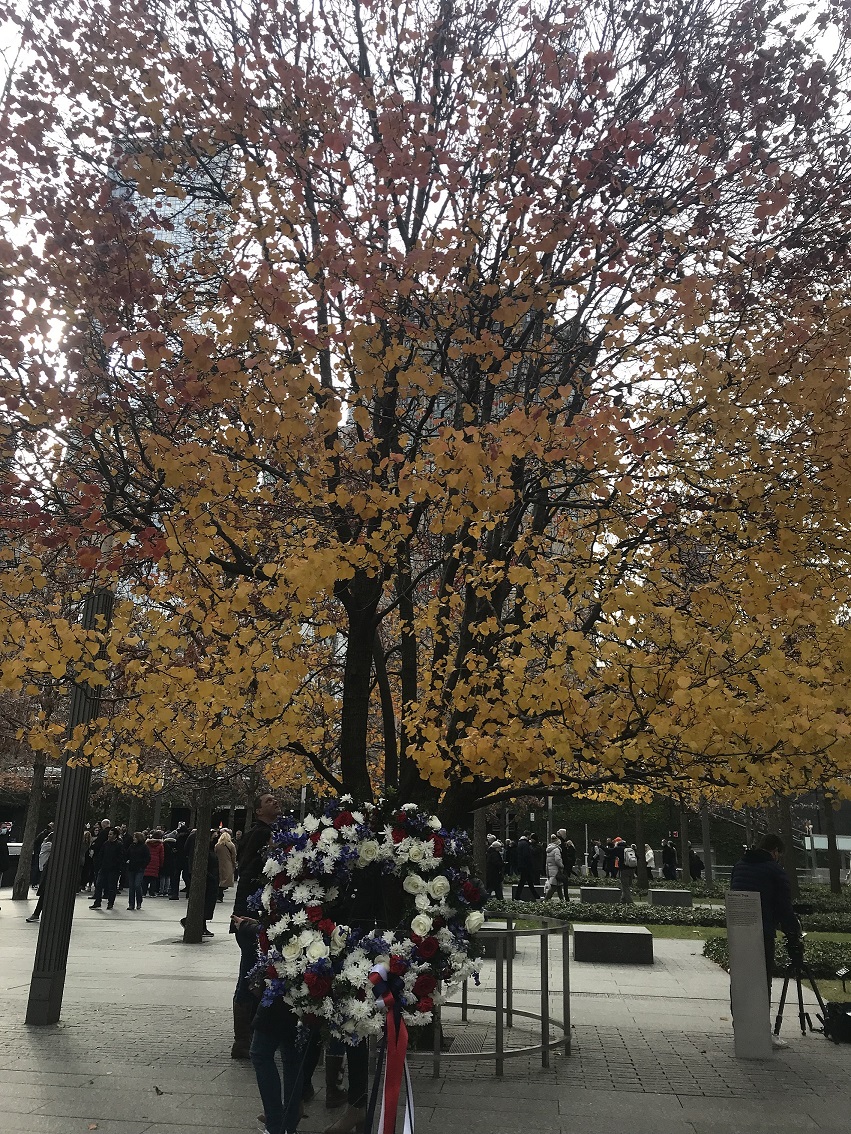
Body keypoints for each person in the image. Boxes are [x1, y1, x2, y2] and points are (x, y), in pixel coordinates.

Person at [730, 833, 802, 1049]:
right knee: (762, 981)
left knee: (740, 981)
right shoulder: (774, 870)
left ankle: (741, 1027)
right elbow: (783, 906)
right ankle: (762, 1031)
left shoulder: (740, 865)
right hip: (762, 930)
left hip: (738, 930)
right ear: (775, 851)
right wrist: (793, 933)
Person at [231, 794, 281, 1059]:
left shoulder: (267, 832)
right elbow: (251, 873)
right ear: (259, 809)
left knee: (254, 972)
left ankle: (248, 1036)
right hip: (250, 916)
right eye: (269, 800)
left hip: (253, 914)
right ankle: (242, 1040)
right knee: (250, 973)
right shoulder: (259, 835)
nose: (275, 802)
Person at [90, 829, 123, 910]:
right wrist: (99, 864)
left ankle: (110, 903)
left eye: (111, 834)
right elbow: (101, 854)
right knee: (98, 884)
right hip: (104, 868)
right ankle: (97, 902)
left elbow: (121, 857)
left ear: (115, 835)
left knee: (112, 887)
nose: (109, 835)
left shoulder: (119, 845)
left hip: (113, 869)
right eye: (109, 834)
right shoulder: (105, 844)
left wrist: (117, 866)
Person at [26, 831, 53, 922]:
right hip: (51, 871)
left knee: (44, 894)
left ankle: (37, 913)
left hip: (49, 871)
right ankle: (38, 913)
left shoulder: (47, 845)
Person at [514, 833, 538, 901]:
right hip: (526, 866)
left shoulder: (520, 843)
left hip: (522, 865)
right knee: (526, 882)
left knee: (527, 882)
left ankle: (536, 896)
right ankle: (517, 897)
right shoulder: (525, 844)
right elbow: (526, 855)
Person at [216, 828, 237, 902]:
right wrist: (234, 864)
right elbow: (234, 855)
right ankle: (220, 896)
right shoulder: (231, 845)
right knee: (224, 880)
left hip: (218, 863)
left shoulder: (217, 845)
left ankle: (218, 895)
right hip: (228, 864)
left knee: (219, 879)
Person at [613, 839, 637, 903]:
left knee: (625, 886)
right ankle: (623, 900)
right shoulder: (629, 849)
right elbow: (637, 857)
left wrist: (600, 846)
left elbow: (609, 851)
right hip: (632, 869)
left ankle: (630, 901)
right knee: (627, 885)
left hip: (624, 869)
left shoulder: (619, 849)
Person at [543, 834, 564, 900]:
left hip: (550, 869)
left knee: (559, 886)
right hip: (556, 870)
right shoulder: (556, 850)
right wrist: (561, 865)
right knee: (554, 886)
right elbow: (557, 860)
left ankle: (562, 900)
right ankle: (546, 899)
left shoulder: (549, 850)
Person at [144, 830, 165, 896]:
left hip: (148, 861)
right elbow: (161, 855)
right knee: (153, 878)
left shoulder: (147, 843)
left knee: (145, 878)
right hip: (156, 861)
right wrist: (161, 863)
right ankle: (152, 892)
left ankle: (143, 892)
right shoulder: (160, 845)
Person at [485, 835, 504, 900]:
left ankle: (500, 899)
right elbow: (497, 863)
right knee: (494, 888)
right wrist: (502, 864)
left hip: (492, 874)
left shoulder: (491, 853)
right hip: (494, 874)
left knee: (494, 888)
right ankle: (500, 900)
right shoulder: (494, 854)